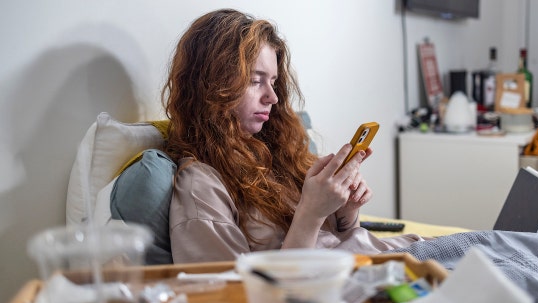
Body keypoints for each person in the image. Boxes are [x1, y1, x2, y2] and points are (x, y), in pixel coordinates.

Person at [163, 9, 423, 263]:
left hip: (388, 256)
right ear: (211, 85)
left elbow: (340, 238)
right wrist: (310, 213)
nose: (273, 98)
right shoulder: (200, 187)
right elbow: (236, 295)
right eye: (256, 81)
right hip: (354, 280)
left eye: (273, 83)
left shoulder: (275, 150)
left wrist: (346, 211)